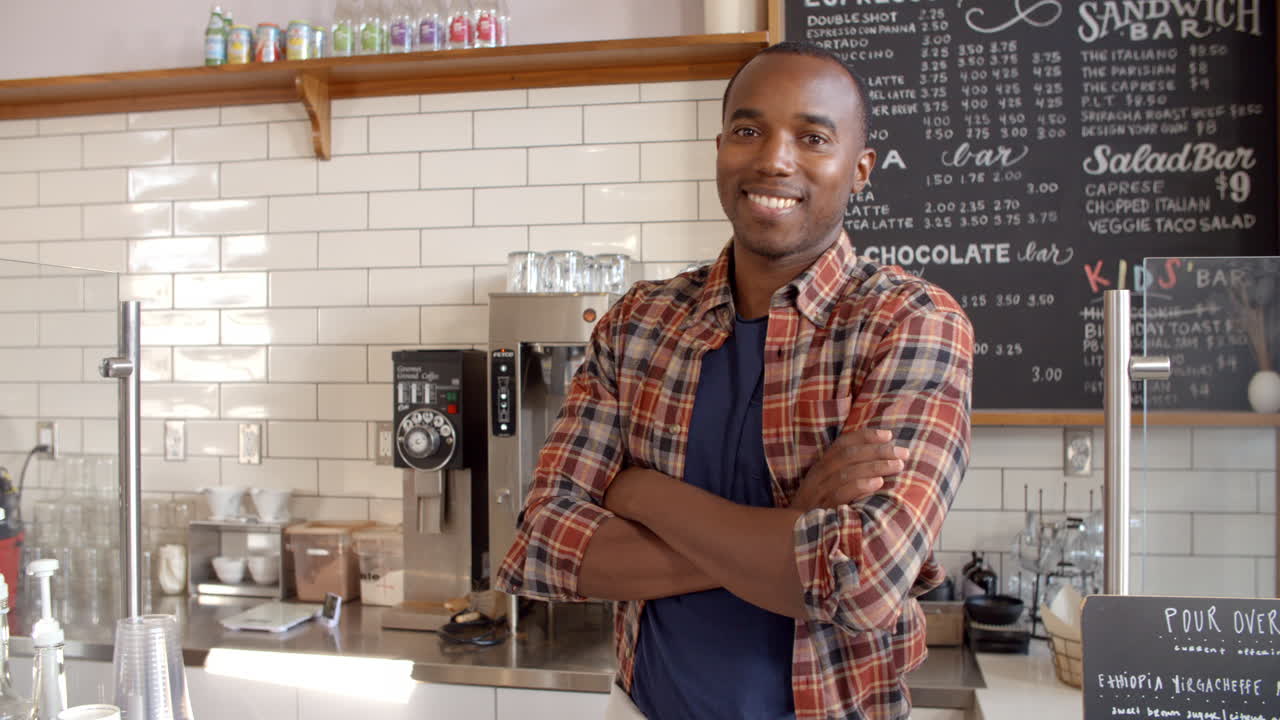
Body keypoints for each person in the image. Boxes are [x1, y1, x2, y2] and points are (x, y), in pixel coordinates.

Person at [495, 41, 973, 720]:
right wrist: (793, 523)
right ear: (720, 149)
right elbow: (541, 547)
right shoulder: (640, 322)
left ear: (860, 169)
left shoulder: (909, 322)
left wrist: (641, 492)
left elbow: (862, 582)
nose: (774, 158)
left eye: (812, 137)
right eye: (749, 131)